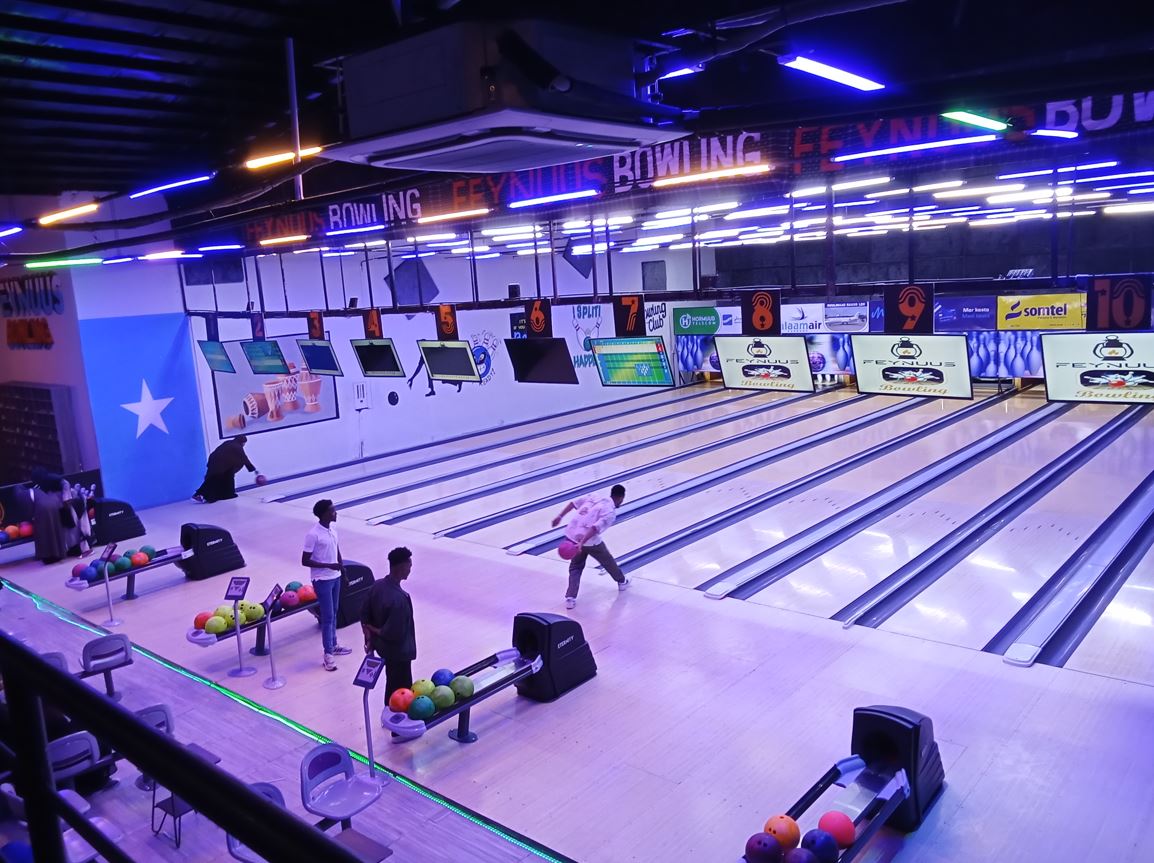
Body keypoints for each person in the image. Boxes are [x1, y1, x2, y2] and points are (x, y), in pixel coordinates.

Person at [552, 484, 630, 609]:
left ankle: (570, 598)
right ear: (621, 498)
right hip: (588, 541)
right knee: (607, 561)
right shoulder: (610, 512)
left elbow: (573, 503)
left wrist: (560, 516)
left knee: (575, 567)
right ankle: (621, 582)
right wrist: (582, 543)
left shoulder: (594, 497)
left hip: (572, 536)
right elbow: (594, 528)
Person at [361, 547, 417, 702]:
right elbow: (394, 634)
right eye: (409, 566)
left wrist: (368, 635)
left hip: (383, 649)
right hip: (399, 653)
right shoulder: (399, 600)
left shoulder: (377, 586)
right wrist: (373, 630)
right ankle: (395, 718)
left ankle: (389, 711)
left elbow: (364, 613)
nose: (410, 570)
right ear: (401, 567)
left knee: (391, 681)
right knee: (400, 689)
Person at [301, 499, 351, 671]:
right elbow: (304, 560)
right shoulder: (313, 534)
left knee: (335, 612)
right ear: (324, 514)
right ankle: (327, 654)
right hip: (322, 580)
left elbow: (337, 550)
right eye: (332, 510)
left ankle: (334, 644)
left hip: (335, 576)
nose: (335, 513)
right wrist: (328, 565)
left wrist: (342, 570)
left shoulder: (333, 529)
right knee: (328, 617)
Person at [31, 474, 88, 564]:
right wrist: (69, 513)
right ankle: (74, 550)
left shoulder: (41, 486)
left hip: (53, 510)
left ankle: (63, 551)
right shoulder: (64, 483)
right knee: (71, 531)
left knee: (62, 532)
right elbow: (66, 501)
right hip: (63, 508)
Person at [193, 436, 258, 502]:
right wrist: (253, 470)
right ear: (242, 442)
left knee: (224, 477)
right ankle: (201, 495)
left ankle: (226, 494)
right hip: (220, 465)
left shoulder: (228, 442)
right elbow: (244, 458)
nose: (244, 445)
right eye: (244, 443)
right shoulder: (237, 447)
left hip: (215, 461)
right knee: (214, 480)